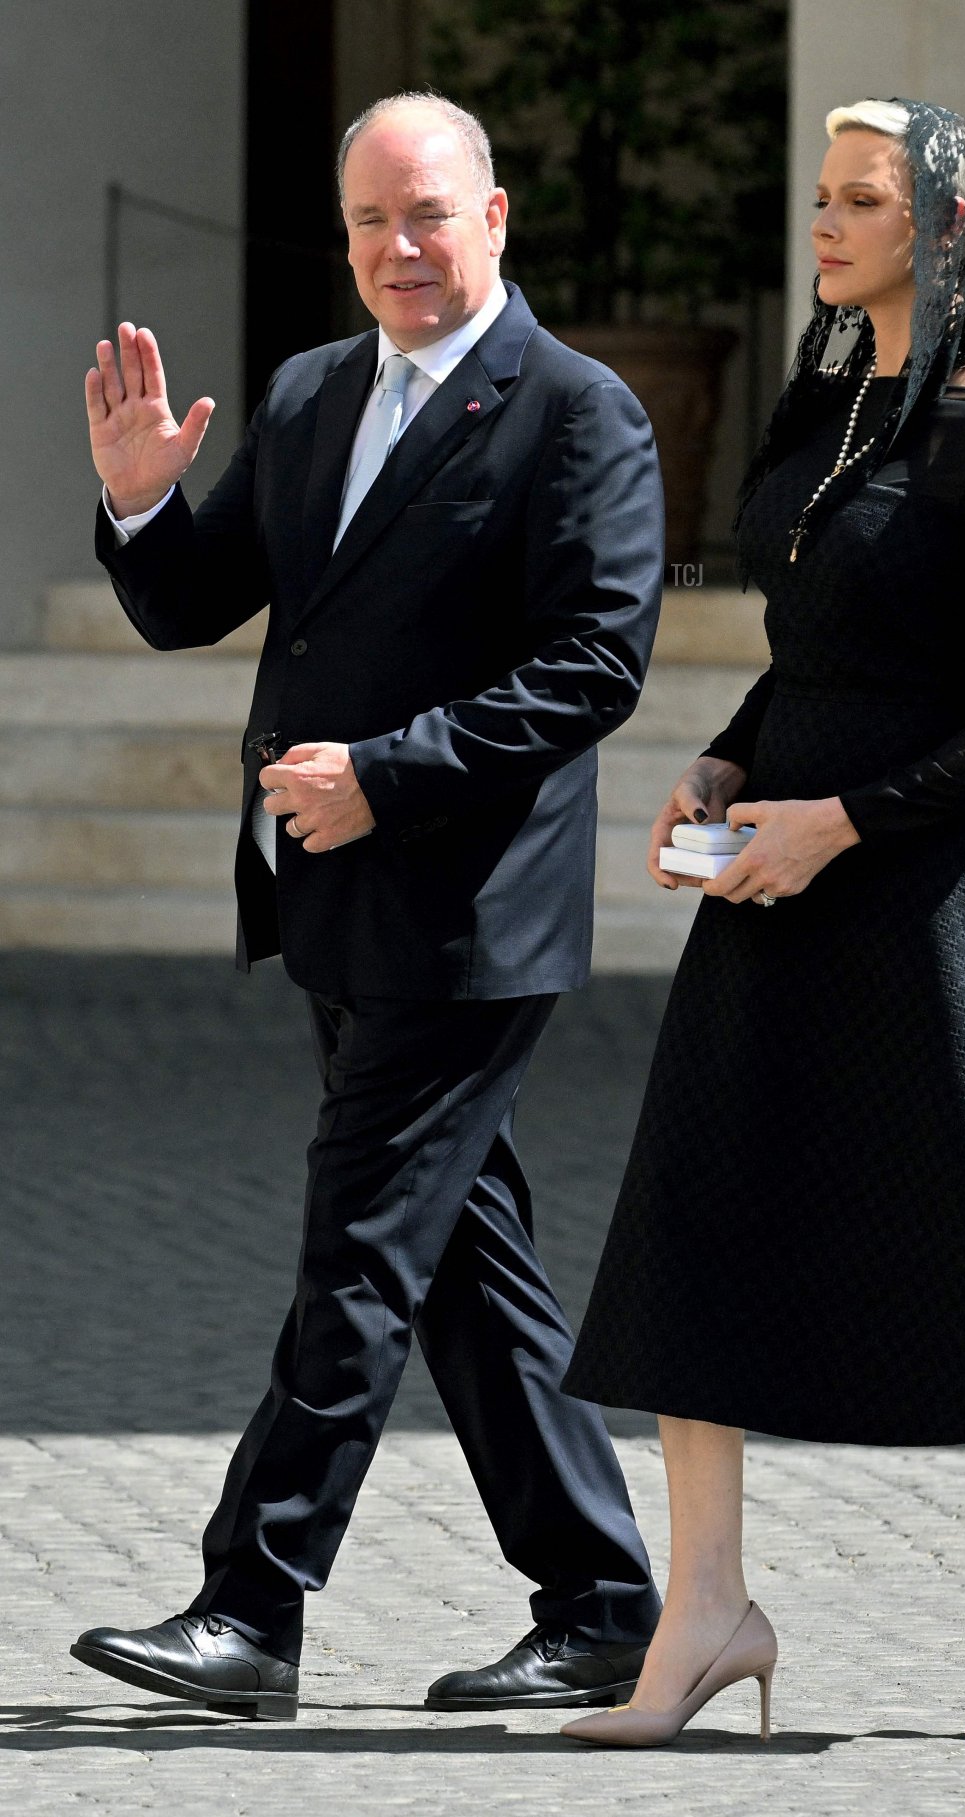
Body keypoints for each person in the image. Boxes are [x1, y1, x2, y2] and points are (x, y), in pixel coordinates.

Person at [558, 97, 965, 1747]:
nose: (823, 226)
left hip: (919, 885)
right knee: (701, 1202)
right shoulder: (824, 397)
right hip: (770, 865)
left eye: (861, 201)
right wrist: (735, 751)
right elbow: (820, 630)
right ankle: (706, 1611)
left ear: (943, 224)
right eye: (820, 198)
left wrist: (841, 819)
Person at [70, 91, 664, 1721]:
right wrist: (140, 507)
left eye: (427, 215)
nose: (398, 249)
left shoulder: (578, 411)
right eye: (368, 224)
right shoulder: (315, 392)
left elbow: (595, 664)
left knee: (358, 1251)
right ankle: (608, 1603)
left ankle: (251, 1605)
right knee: (462, 1263)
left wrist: (388, 775)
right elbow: (203, 602)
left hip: (470, 914)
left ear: (492, 217)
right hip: (329, 896)